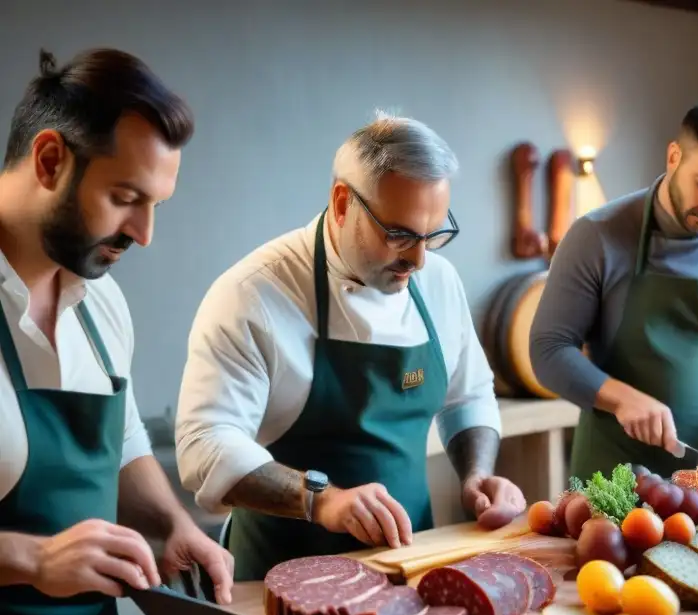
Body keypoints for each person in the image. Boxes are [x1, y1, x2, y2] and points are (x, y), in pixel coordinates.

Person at [175, 110, 527, 581]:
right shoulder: (252, 295)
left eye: (433, 235)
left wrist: (476, 475)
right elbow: (204, 446)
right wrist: (322, 499)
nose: (418, 260)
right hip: (279, 580)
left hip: (409, 565)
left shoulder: (438, 281)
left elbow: (468, 395)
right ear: (343, 203)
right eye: (399, 234)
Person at [0, 48, 235, 615]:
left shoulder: (102, 305)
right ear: (50, 160)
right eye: (127, 198)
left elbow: (124, 446)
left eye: (155, 205)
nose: (144, 233)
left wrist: (172, 525)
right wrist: (33, 560)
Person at [530, 98, 698, 482]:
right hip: (611, 477)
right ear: (674, 156)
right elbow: (548, 349)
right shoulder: (596, 236)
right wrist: (622, 398)